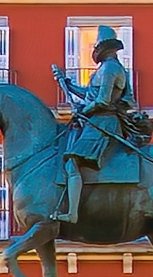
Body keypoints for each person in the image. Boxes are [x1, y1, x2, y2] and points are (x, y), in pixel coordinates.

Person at [47, 27, 147, 223]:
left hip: (104, 122)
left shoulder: (111, 69)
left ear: (104, 48)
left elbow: (102, 101)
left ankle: (72, 213)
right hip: (94, 120)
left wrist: (83, 111)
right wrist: (67, 84)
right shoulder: (105, 69)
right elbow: (89, 94)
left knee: (72, 162)